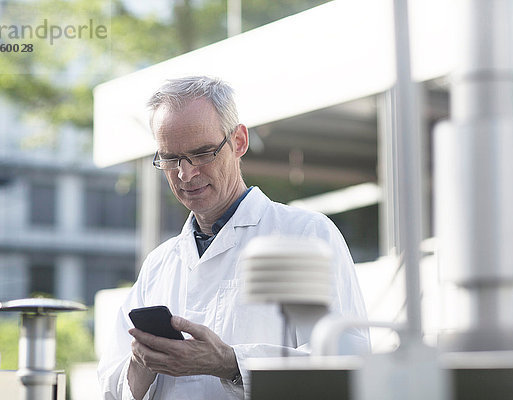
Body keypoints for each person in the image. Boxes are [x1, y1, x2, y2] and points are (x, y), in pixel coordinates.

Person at [97, 76, 370, 400]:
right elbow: (111, 389)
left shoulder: (305, 235)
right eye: (170, 158)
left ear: (239, 141)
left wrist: (231, 364)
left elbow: (347, 368)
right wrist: (142, 363)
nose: (186, 174)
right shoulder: (159, 264)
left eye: (202, 154)